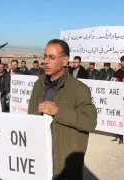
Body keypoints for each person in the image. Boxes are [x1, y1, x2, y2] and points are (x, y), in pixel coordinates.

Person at [28, 39, 97, 179]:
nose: (46, 61)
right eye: (45, 56)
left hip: (65, 167)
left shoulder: (79, 89)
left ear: (65, 61)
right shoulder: (39, 84)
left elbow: (90, 122)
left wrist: (58, 112)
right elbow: (31, 116)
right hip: (41, 159)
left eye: (52, 57)